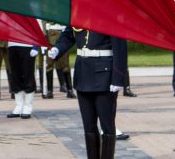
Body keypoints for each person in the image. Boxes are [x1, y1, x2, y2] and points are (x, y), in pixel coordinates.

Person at [49, 28, 127, 159]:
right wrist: (58, 48)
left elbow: (120, 45)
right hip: (83, 73)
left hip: (104, 75)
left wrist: (118, 77)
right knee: (88, 126)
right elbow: (68, 35)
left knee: (107, 125)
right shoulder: (78, 14)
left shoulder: (108, 12)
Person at [7, 40, 38, 119]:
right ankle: (19, 105)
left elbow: (37, 30)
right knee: (15, 76)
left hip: (27, 45)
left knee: (28, 75)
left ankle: (28, 107)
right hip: (12, 45)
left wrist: (35, 46)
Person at [44, 22, 75, 99]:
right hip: (50, 34)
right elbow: (44, 21)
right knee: (49, 65)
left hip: (63, 32)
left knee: (65, 65)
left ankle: (69, 89)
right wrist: (44, 34)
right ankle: (49, 90)